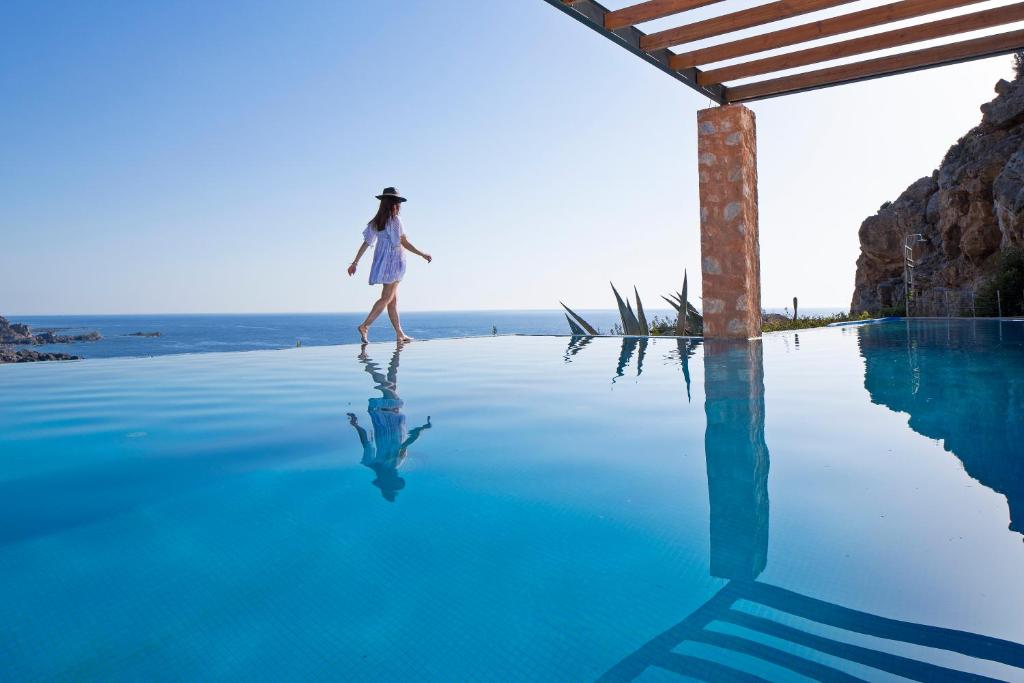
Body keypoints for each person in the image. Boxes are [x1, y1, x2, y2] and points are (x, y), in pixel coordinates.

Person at [347, 342, 432, 502]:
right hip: (379, 414)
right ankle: (393, 354)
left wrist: (422, 429)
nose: (396, 476)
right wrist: (355, 424)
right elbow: (365, 440)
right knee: (391, 379)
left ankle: (366, 362)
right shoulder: (372, 463)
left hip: (392, 411)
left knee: (386, 384)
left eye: (393, 480)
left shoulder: (394, 462)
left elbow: (407, 442)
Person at [347, 187, 432, 343]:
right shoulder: (395, 221)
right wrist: (422, 254)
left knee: (392, 300)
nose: (399, 205)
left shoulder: (377, 222)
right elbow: (403, 242)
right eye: (398, 202)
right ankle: (365, 325)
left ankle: (399, 333)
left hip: (382, 263)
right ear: (394, 204)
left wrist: (355, 262)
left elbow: (366, 243)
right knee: (387, 298)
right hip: (394, 263)